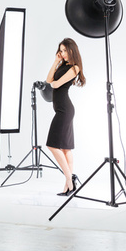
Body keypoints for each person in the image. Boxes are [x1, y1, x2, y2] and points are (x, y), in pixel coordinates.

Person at [45, 38, 85, 196]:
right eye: (60, 50)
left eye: (65, 50)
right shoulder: (62, 65)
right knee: (65, 147)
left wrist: (54, 82)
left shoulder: (75, 68)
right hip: (61, 110)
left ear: (72, 50)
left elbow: (55, 84)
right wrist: (55, 62)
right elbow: (49, 80)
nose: (62, 53)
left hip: (65, 110)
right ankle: (68, 187)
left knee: (52, 145)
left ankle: (69, 178)